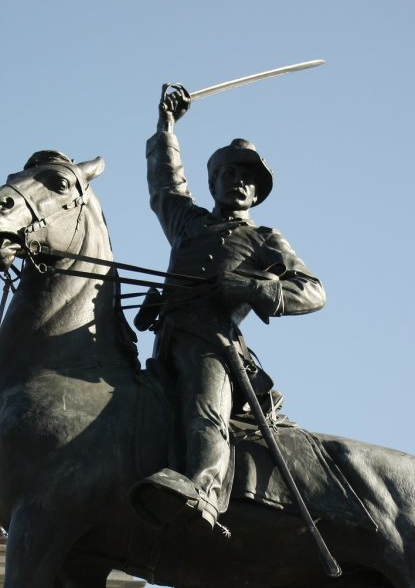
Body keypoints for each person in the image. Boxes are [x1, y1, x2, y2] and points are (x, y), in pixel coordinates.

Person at [134, 85, 326, 533]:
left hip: (212, 345)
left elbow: (313, 291)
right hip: (166, 342)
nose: (241, 183)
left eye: (249, 180)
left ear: (257, 195)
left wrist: (249, 287)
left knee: (206, 411)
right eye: (230, 175)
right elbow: (164, 183)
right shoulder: (188, 223)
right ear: (213, 183)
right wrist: (166, 126)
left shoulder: (265, 240)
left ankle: (203, 492)